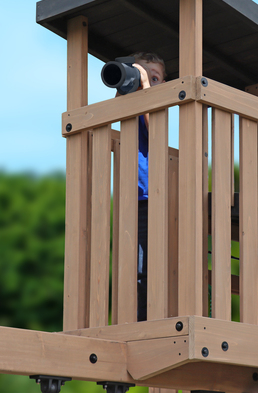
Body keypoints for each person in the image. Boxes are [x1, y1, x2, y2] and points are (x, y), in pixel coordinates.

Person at [116, 52, 166, 321]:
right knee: (130, 267)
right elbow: (113, 112)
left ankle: (147, 319)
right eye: (143, 73)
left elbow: (155, 128)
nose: (148, 80)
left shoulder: (157, 109)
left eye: (156, 77)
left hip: (150, 197)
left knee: (149, 266)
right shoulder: (130, 109)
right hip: (128, 200)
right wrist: (126, 84)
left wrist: (147, 87)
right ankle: (131, 319)